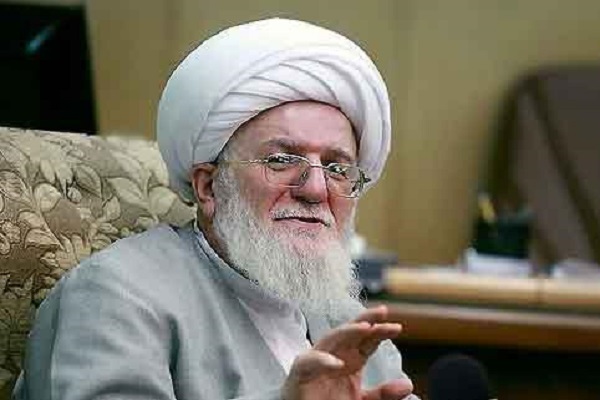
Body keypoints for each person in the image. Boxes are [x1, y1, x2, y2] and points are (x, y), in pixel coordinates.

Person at [14, 18, 418, 400]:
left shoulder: (345, 319)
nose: (315, 189)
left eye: (337, 168)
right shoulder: (116, 295)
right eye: (281, 160)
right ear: (209, 186)